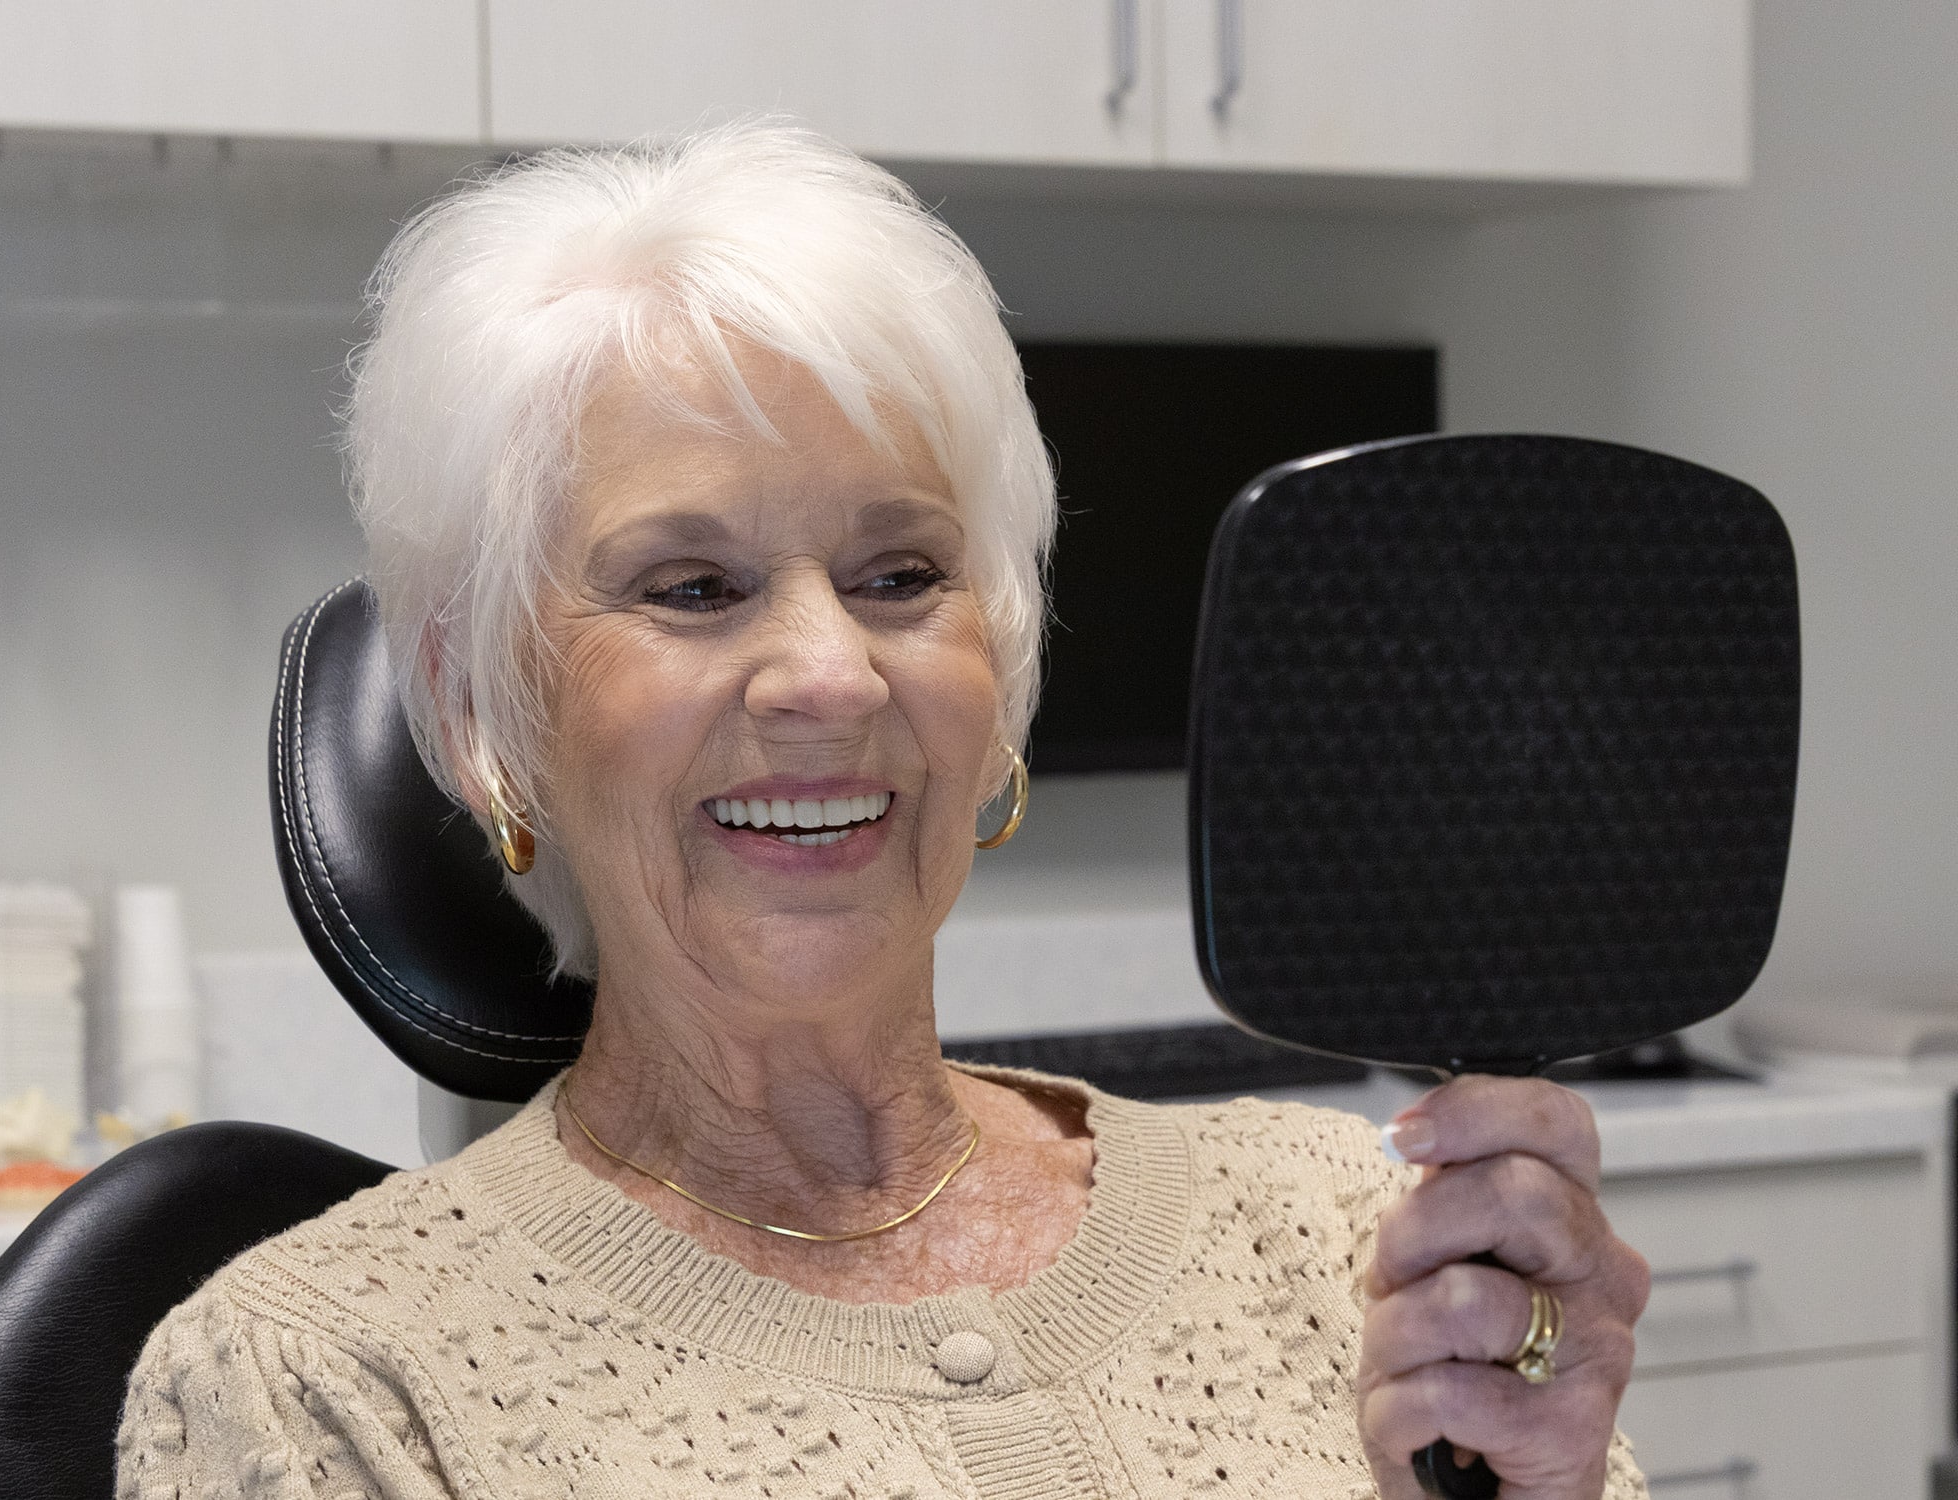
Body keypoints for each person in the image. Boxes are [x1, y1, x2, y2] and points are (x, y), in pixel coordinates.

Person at [115, 122, 1649, 1500]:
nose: (831, 676)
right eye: (693, 587)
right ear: (478, 709)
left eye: (901, 576)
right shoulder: (320, 1389)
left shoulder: (1351, 1242)